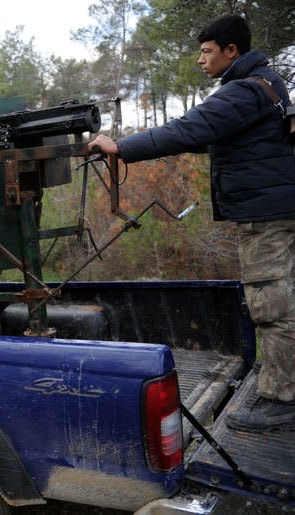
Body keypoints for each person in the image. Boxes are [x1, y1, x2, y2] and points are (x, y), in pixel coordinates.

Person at [88, 14, 295, 432]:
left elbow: (189, 128)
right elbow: (209, 136)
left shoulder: (241, 92)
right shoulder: (268, 83)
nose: (201, 60)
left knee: (271, 305)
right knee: (283, 299)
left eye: (206, 51)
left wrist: (120, 147)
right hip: (276, 207)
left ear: (230, 51)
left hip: (264, 216)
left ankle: (281, 399)